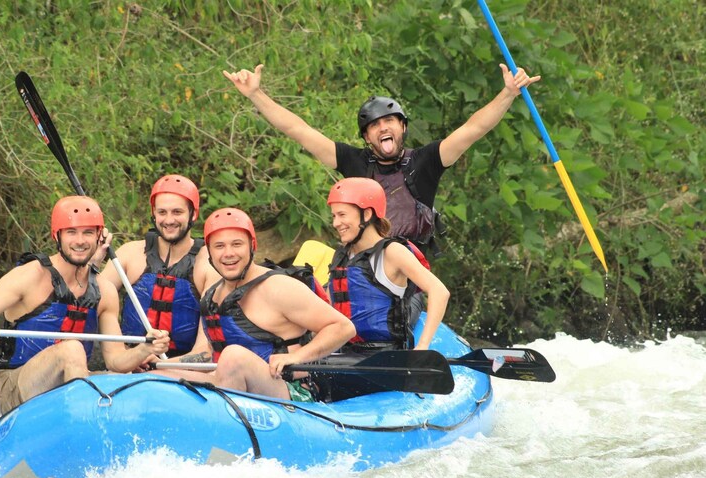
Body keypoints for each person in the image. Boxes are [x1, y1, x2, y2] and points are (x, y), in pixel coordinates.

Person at [223, 63, 541, 255]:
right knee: (311, 253)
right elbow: (298, 130)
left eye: (389, 121)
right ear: (367, 137)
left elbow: (474, 128)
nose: (382, 127)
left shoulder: (427, 161)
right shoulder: (353, 161)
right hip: (363, 259)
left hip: (407, 263)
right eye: (374, 125)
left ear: (402, 127)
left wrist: (508, 93)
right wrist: (255, 94)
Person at [0, 195, 170, 415]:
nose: (80, 241)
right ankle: (81, 423)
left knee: (135, 381)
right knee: (72, 348)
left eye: (88, 233)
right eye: (71, 232)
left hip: (71, 383)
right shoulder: (30, 276)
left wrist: (146, 347)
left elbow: (115, 360)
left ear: (99, 237)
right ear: (56, 236)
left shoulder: (105, 291)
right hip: (16, 387)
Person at [153, 207, 356, 402]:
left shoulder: (278, 287)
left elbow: (342, 327)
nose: (228, 253)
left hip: (292, 394)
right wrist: (159, 364)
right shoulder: (212, 296)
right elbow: (208, 354)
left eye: (237, 244)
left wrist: (298, 357)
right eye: (219, 246)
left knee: (234, 357)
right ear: (210, 254)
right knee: (157, 378)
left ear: (252, 246)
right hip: (230, 385)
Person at [100, 174, 219, 360]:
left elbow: (205, 351)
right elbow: (91, 299)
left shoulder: (209, 264)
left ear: (193, 214)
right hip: (129, 364)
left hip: (183, 372)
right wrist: (93, 261)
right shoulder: (130, 254)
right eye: (162, 212)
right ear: (153, 213)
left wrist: (161, 367)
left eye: (177, 212)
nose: (169, 220)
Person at [326, 177, 450, 351]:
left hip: (385, 354)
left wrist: (422, 346)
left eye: (342, 215)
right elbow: (329, 306)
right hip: (342, 352)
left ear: (367, 214)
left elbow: (440, 291)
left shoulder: (392, 252)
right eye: (333, 216)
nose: (335, 223)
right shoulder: (341, 257)